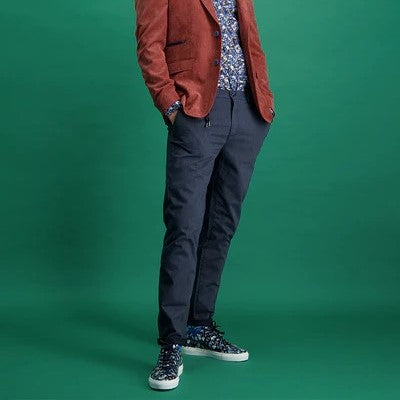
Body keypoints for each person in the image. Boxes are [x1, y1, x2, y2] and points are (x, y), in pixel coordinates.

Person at [134, 0, 275, 390]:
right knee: (184, 227)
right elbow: (149, 45)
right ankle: (171, 342)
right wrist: (170, 106)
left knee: (222, 225)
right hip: (195, 112)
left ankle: (199, 325)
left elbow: (248, 37)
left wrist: (264, 100)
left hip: (246, 110)